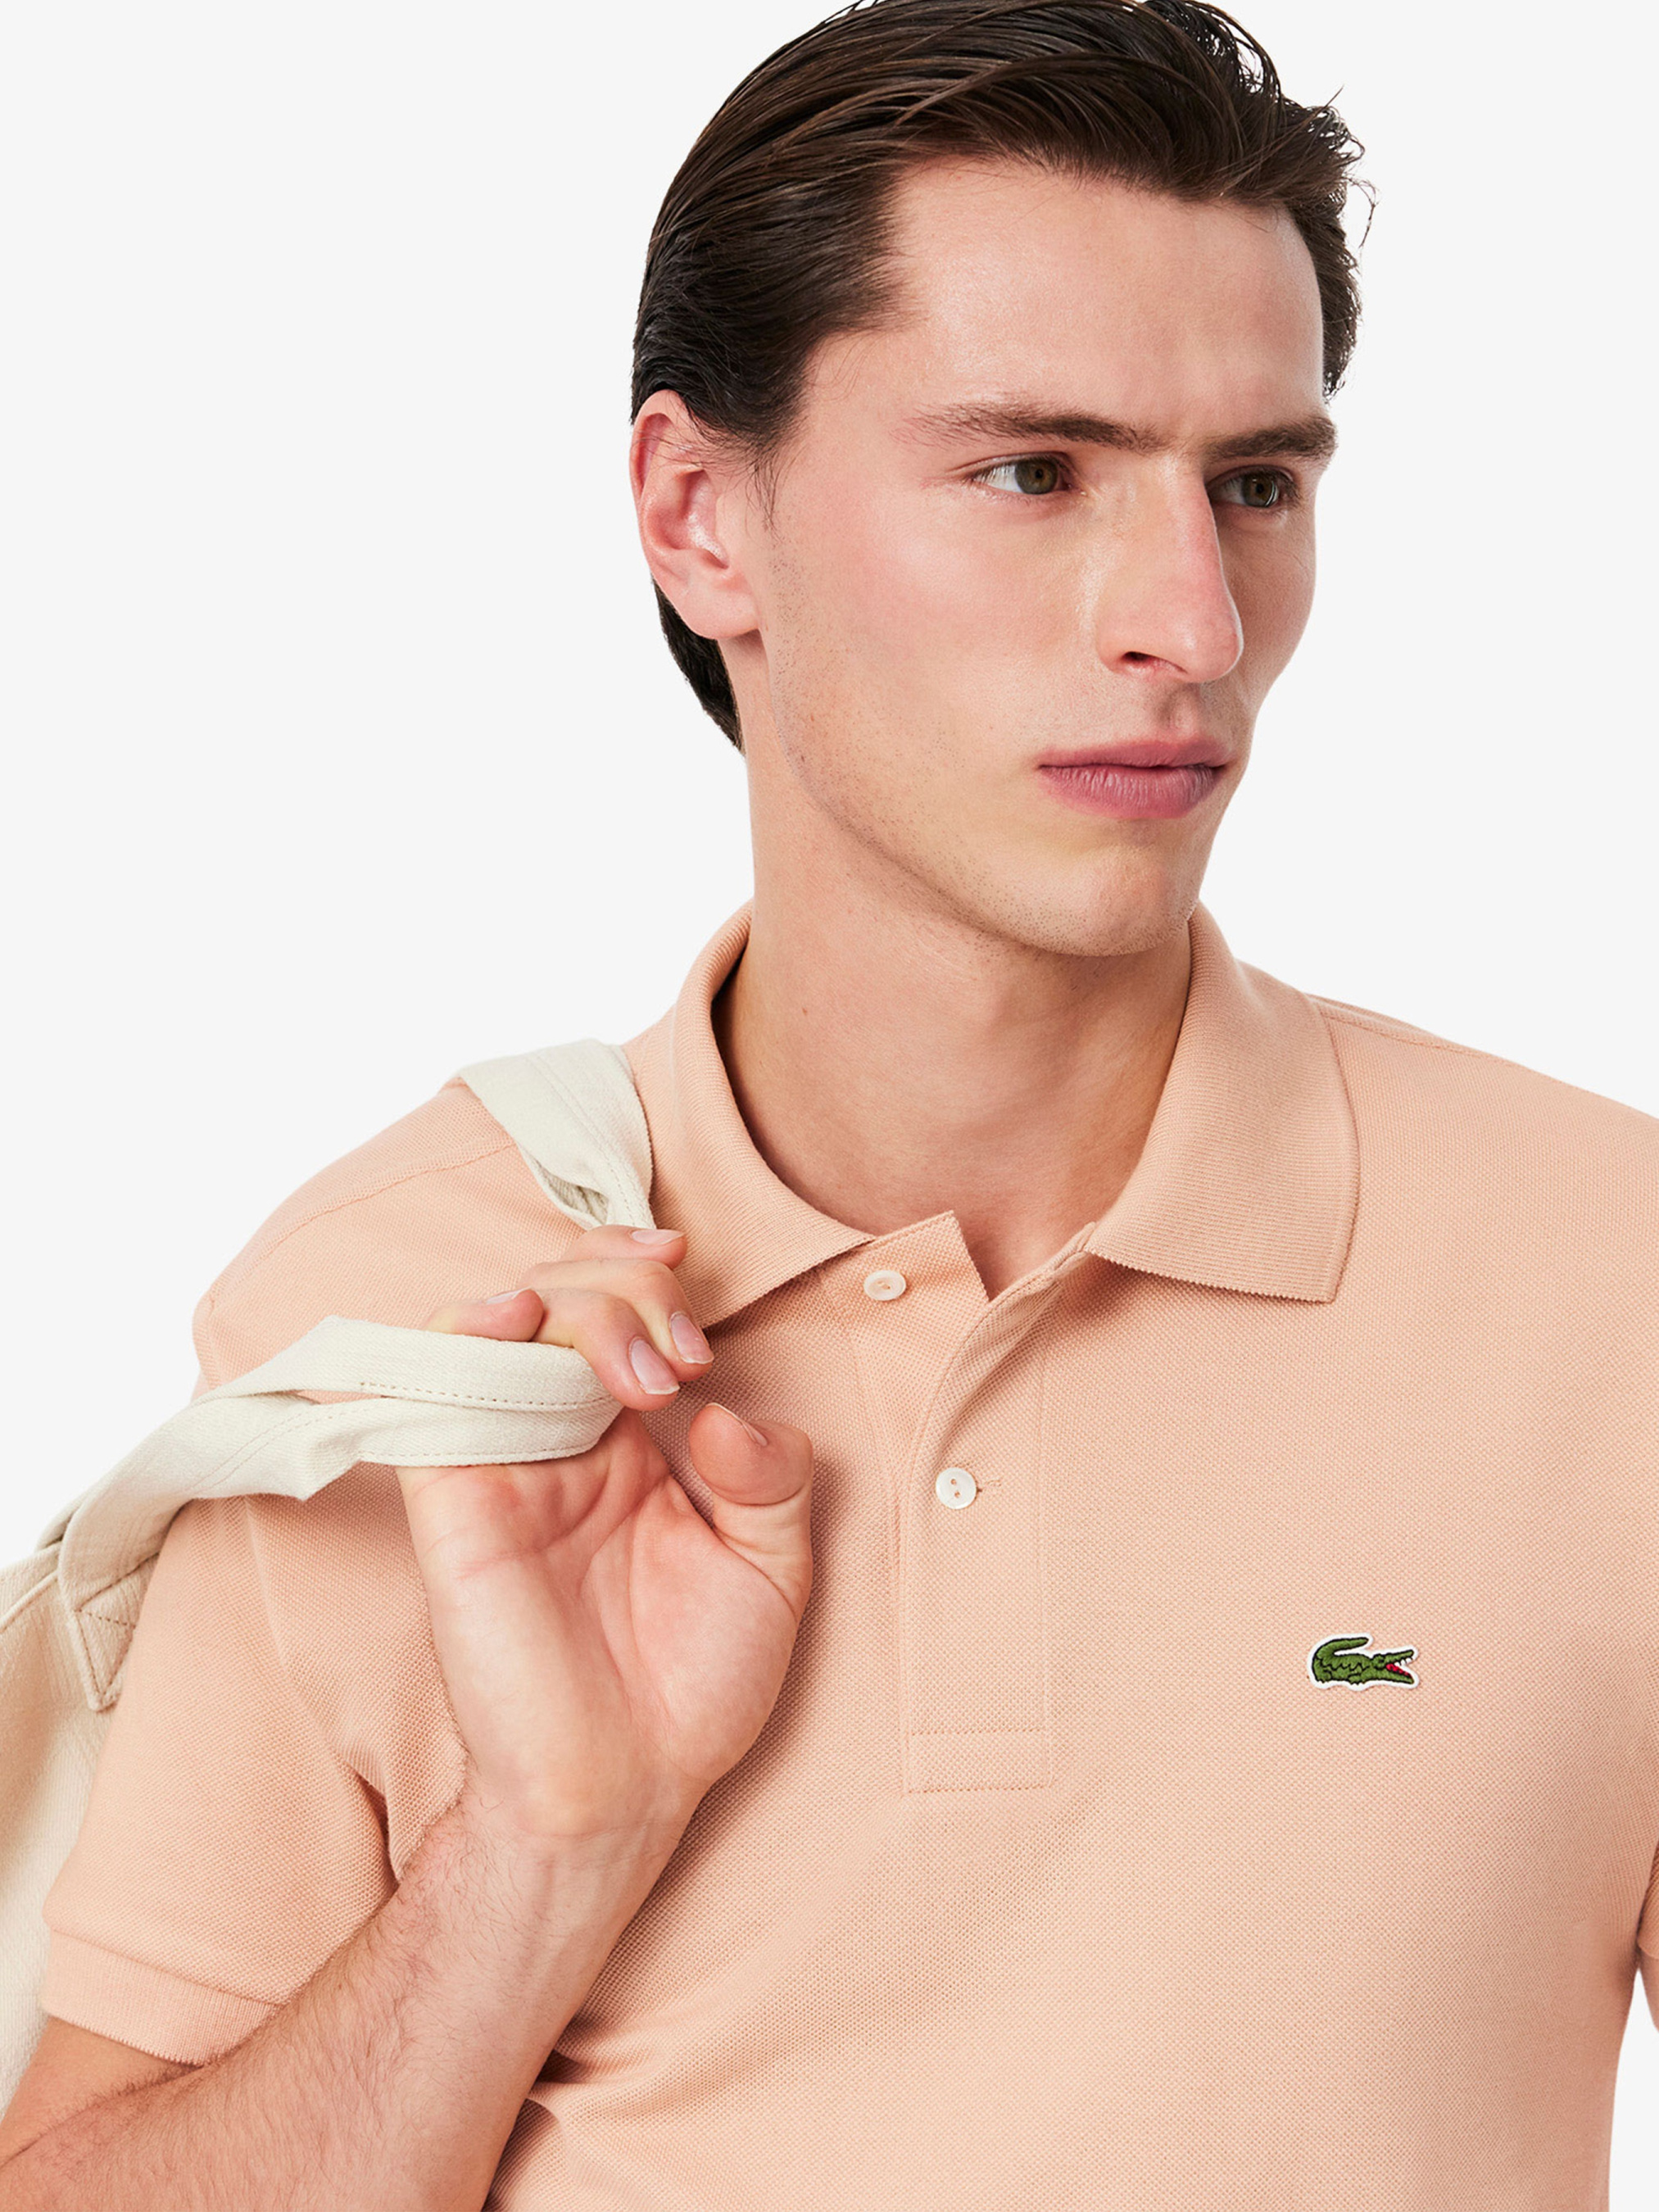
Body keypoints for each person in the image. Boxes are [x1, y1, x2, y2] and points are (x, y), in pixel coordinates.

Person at [2, 0, 1656, 2205]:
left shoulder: (1613, 1279)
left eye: (1254, 484)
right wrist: (537, 1847)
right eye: (1034, 471)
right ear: (700, 517)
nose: (1192, 624)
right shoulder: (404, 1319)